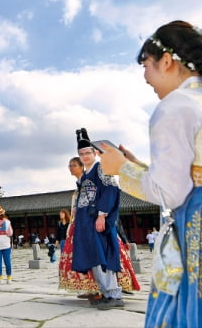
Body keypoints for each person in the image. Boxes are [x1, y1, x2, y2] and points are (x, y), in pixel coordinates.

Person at [99, 20, 202, 328]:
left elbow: (170, 192)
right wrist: (138, 166)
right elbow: (201, 172)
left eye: (147, 66)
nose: (146, 77)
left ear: (167, 61)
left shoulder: (174, 106)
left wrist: (120, 169)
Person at [71, 129, 124, 310]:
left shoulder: (102, 169)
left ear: (95, 153)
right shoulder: (85, 175)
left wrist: (102, 215)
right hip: (86, 222)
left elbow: (111, 190)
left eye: (88, 153)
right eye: (81, 154)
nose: (85, 156)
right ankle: (105, 292)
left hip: (97, 219)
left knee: (103, 255)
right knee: (94, 256)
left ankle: (114, 294)